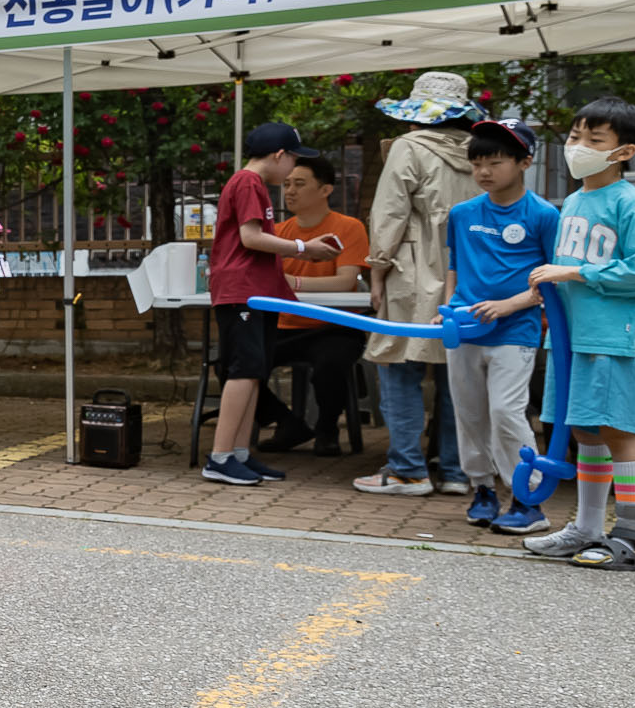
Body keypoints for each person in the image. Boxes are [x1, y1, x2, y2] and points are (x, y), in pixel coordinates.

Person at [522, 97, 635, 566]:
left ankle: (632, 537)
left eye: (592, 139)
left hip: (613, 337)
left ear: (623, 152)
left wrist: (576, 274)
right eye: (573, 136)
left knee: (617, 429)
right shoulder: (576, 201)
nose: (577, 146)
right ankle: (586, 528)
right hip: (570, 340)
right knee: (585, 429)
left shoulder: (633, 203)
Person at [357, 71, 482, 498]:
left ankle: (407, 468)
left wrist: (377, 269)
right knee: (456, 372)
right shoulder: (482, 153)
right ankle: (456, 470)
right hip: (468, 272)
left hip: (411, 268)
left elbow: (389, 213)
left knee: (397, 363)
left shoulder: (409, 148)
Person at [202, 123, 341, 486]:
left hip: (254, 291)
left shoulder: (250, 184)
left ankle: (240, 454)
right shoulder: (248, 183)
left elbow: (254, 236)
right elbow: (250, 238)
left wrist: (303, 247)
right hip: (243, 291)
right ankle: (219, 457)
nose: (292, 169)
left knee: (254, 373)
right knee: (244, 372)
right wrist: (303, 249)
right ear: (280, 155)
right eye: (293, 159)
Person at [441, 120, 559, 535]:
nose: (484, 172)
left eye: (495, 161)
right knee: (469, 413)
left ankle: (527, 499)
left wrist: (511, 304)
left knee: (506, 412)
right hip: (463, 331)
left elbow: (551, 280)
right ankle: (482, 489)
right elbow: (454, 269)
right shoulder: (461, 213)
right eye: (477, 163)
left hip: (517, 331)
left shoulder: (544, 215)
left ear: (525, 162)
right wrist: (449, 307)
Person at [255, 152, 371, 457]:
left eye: (300, 184)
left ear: (325, 190)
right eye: (288, 183)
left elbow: (345, 281)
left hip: (334, 326)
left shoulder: (349, 227)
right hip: (283, 326)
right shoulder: (276, 233)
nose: (290, 190)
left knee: (331, 363)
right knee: (232, 361)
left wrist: (295, 283)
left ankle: (327, 429)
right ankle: (285, 422)